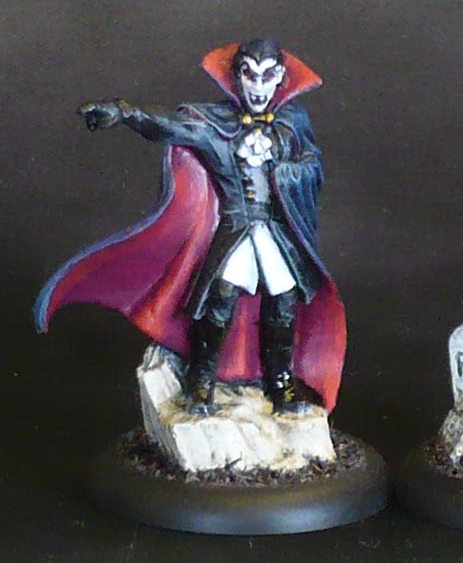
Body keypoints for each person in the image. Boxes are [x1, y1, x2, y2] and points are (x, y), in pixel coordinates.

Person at [35, 38, 346, 415]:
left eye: (267, 77)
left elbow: (312, 164)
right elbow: (169, 124)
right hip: (236, 229)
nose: (258, 86)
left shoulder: (292, 122)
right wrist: (123, 111)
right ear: (237, 78)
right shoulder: (214, 126)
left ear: (280, 77)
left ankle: (280, 384)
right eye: (250, 75)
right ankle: (201, 383)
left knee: (283, 302)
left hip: (276, 232)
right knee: (220, 299)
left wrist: (281, 164)